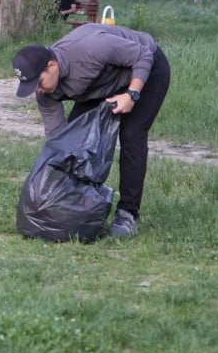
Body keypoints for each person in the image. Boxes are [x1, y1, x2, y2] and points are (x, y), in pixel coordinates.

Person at [12, 23, 171, 238]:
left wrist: (132, 95)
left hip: (146, 70)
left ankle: (127, 214)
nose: (38, 90)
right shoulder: (46, 94)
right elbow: (59, 141)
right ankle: (80, 206)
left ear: (51, 65)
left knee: (132, 135)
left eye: (38, 83)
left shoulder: (90, 48)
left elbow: (142, 56)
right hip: (100, 84)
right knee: (76, 144)